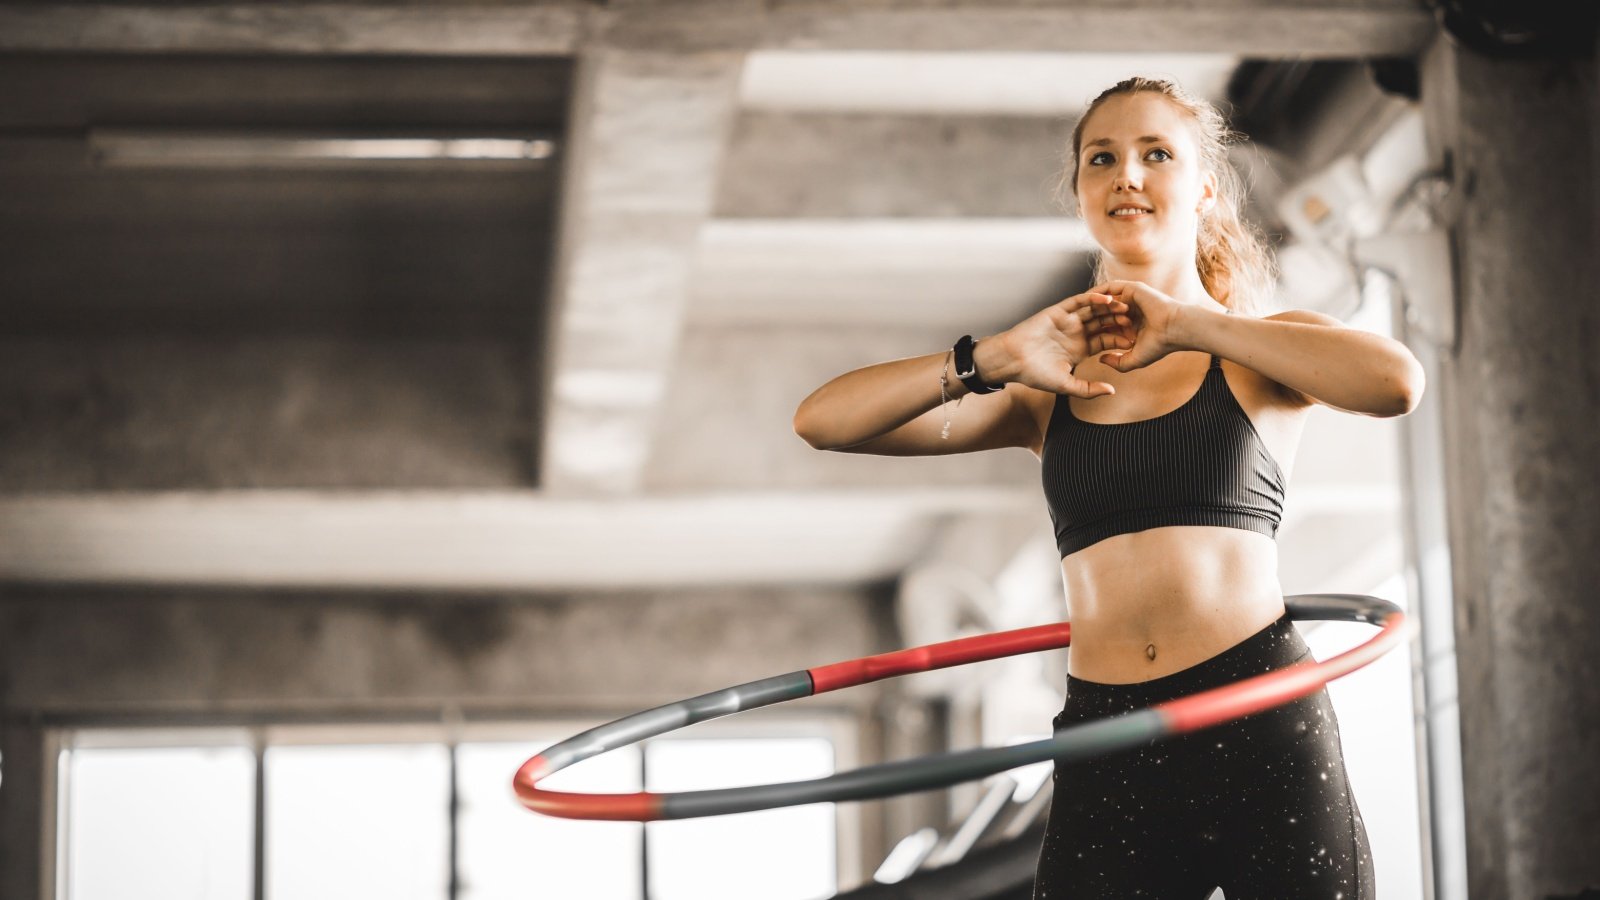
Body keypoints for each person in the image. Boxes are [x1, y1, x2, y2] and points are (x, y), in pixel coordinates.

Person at [793, 76, 1424, 898]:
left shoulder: (1260, 350)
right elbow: (823, 420)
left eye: (1156, 154)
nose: (1128, 174)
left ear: (1202, 187)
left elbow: (1396, 383)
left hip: (1259, 718)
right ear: (1083, 191)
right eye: (1104, 159)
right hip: (1107, 738)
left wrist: (1191, 324)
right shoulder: (1041, 385)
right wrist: (985, 361)